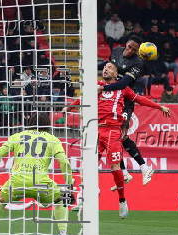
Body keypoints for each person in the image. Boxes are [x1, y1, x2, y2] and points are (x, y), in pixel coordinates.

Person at [64, 62, 170, 217]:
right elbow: (83, 98)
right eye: (105, 67)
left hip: (113, 131)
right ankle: (89, 193)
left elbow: (140, 99)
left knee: (115, 167)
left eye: (110, 68)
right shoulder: (97, 86)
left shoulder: (123, 89)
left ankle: (122, 201)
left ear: (116, 74)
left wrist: (159, 107)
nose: (106, 69)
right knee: (86, 167)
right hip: (95, 130)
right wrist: (70, 106)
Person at [0, 113, 76, 235]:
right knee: (61, 200)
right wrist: (69, 187)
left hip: (17, 182)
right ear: (47, 125)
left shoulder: (17, 136)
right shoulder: (53, 139)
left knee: (0, 202)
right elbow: (64, 163)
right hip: (41, 183)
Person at [98, 35, 155, 185]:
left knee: (121, 135)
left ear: (137, 51)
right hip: (113, 99)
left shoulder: (137, 63)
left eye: (133, 50)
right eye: (129, 47)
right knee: (115, 137)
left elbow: (123, 83)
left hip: (125, 101)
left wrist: (103, 88)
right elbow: (107, 64)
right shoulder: (116, 51)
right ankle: (126, 172)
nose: (129, 51)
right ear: (126, 44)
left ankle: (144, 167)